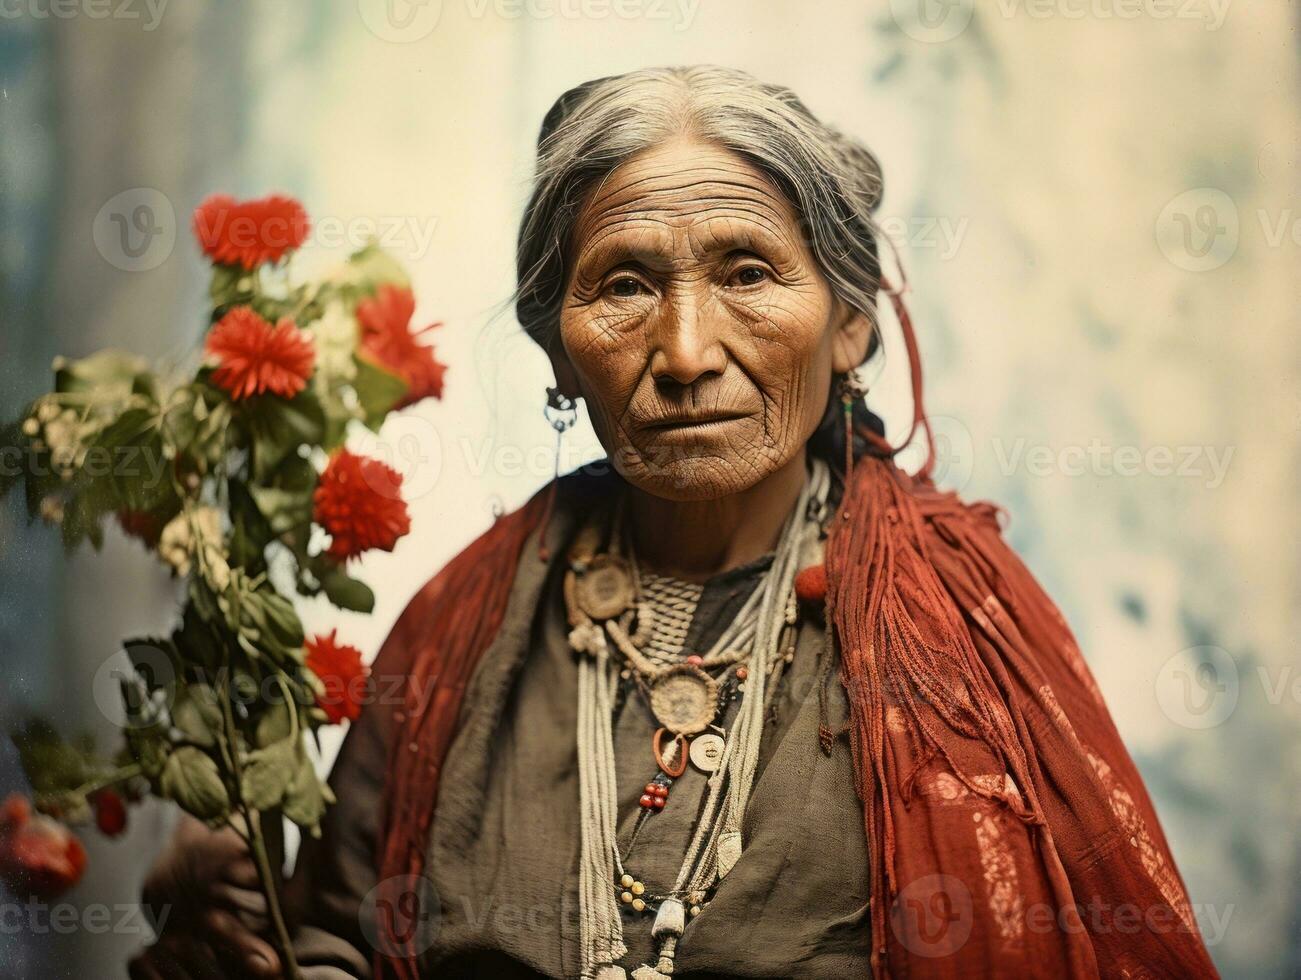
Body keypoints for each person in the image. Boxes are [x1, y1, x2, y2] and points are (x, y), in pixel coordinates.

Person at [129, 65, 1219, 980]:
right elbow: (342, 939)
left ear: (847, 324)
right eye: (623, 286)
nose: (688, 350)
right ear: (556, 349)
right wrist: (232, 934)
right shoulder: (462, 629)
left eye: (747, 271)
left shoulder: (962, 630)